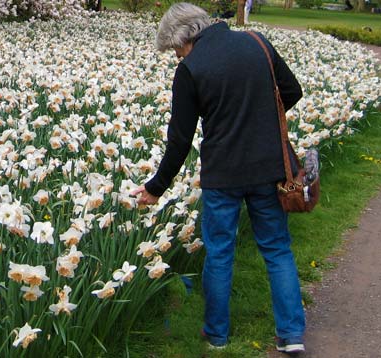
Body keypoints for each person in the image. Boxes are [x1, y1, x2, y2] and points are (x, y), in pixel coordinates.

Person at [131, 3, 307, 354]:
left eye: (176, 49)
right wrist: (258, 121)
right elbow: (292, 92)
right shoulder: (258, 43)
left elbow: (179, 140)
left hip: (222, 174)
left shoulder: (191, 69)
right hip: (269, 166)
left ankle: (217, 335)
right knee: (276, 249)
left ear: (184, 38)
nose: (177, 55)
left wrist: (155, 188)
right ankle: (292, 336)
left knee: (220, 253)